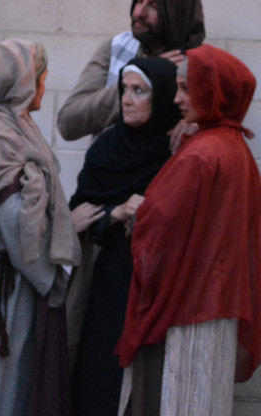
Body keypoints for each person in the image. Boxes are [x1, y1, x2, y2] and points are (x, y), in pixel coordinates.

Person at [0, 39, 103, 416]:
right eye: (40, 77)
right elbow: (14, 221)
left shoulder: (20, 128)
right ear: (22, 83)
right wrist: (61, 246)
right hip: (4, 286)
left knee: (16, 387)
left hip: (16, 282)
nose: (43, 85)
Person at [115, 44, 261, 416]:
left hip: (183, 313)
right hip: (218, 308)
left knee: (167, 401)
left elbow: (161, 233)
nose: (177, 99)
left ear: (212, 91)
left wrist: (138, 213)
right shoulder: (236, 149)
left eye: (186, 88)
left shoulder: (200, 153)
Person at [68, 56, 181, 416]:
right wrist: (114, 213)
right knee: (102, 377)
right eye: (124, 90)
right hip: (111, 280)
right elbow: (79, 210)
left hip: (159, 286)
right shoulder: (107, 148)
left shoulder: (178, 152)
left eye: (139, 91)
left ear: (161, 97)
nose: (127, 100)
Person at [56, 0, 205, 143]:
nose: (139, 13)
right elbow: (68, 123)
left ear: (176, 12)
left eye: (154, 6)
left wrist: (199, 123)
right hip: (108, 159)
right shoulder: (117, 48)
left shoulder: (201, 64)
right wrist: (138, 79)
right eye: (139, 1)